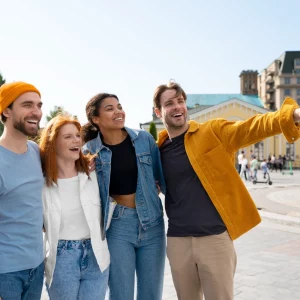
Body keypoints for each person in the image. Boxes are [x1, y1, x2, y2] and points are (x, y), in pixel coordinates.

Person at [152, 81, 300, 300]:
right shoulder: (157, 150)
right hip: (178, 241)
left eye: (181, 101)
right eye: (170, 103)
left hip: (214, 239)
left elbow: (252, 127)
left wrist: (293, 115)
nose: (177, 107)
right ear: (158, 111)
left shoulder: (212, 132)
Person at [82, 93, 166, 300]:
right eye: (110, 108)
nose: (118, 111)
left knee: (151, 294)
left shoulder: (144, 140)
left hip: (152, 223)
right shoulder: (89, 151)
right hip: (118, 226)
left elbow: (161, 178)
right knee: (121, 294)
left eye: (119, 106)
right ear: (96, 119)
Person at [39, 115, 110, 300]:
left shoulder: (93, 173)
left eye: (77, 135)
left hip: (96, 255)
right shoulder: (41, 182)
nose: (76, 140)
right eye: (68, 136)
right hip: (62, 258)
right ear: (53, 143)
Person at [0, 82, 44, 300]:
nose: (36, 112)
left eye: (38, 105)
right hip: (5, 272)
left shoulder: (36, 151)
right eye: (27, 105)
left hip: (36, 266)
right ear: (6, 110)